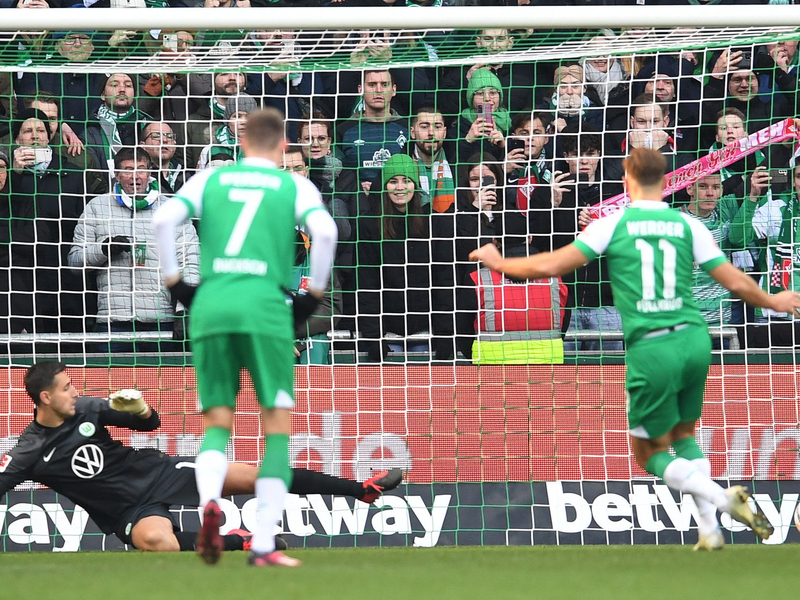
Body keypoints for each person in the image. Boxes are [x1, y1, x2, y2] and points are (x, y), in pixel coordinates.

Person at [470, 148, 800, 551]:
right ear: (667, 183)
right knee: (684, 434)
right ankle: (710, 532)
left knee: (648, 451)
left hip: (652, 344)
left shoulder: (614, 224)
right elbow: (734, 280)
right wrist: (774, 300)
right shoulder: (688, 224)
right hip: (696, 338)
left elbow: (551, 265)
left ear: (626, 180)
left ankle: (722, 498)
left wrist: (499, 262)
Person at [153, 107, 338, 567]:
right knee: (275, 427)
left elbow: (163, 220)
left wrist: (176, 283)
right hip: (264, 305)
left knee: (217, 422)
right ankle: (263, 544)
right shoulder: (293, 184)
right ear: (283, 146)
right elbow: (325, 230)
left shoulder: (211, 179)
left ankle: (209, 504)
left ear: (241, 143)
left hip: (212, 303)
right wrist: (312, 295)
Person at [0, 361, 402, 554]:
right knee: (156, 543)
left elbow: (150, 425)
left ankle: (362, 489)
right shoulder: (28, 451)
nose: (75, 392)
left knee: (260, 476)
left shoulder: (88, 408)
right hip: (126, 509)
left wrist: (140, 410)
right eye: (66, 388)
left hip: (159, 473)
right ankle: (239, 541)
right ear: (45, 398)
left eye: (73, 385)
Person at [68, 147, 199, 351]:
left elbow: (190, 262)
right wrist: (104, 249)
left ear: (150, 173)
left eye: (141, 169)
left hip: (160, 322)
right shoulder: (96, 207)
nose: (135, 176)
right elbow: (74, 262)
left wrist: (185, 311)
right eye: (128, 170)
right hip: (112, 323)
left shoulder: (172, 208)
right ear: (117, 174)